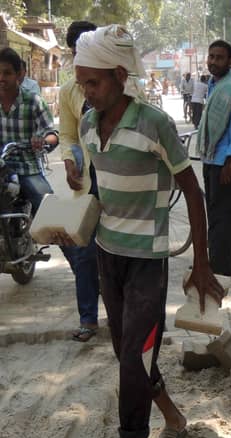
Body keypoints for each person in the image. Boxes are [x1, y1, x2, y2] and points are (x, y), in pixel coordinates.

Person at [74, 25, 225, 438]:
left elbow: (193, 192)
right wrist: (73, 205)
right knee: (129, 351)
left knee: (134, 356)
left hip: (147, 260)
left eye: (94, 82)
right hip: (107, 254)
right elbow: (99, 188)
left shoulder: (154, 124)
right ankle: (175, 419)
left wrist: (201, 263)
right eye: (81, 82)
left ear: (120, 76)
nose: (87, 91)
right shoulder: (88, 125)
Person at [58, 20, 100, 343]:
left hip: (122, 181)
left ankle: (136, 318)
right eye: (76, 51)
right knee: (82, 249)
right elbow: (68, 134)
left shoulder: (122, 82)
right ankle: (88, 319)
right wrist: (70, 162)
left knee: (122, 253)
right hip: (87, 182)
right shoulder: (69, 90)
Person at [197, 40, 231, 277]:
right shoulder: (214, 84)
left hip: (225, 163)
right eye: (211, 56)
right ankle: (222, 264)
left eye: (219, 58)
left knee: (221, 219)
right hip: (211, 160)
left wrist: (230, 160)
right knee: (216, 216)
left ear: (230, 61)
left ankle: (219, 271)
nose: (213, 61)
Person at [0, 47, 58, 215]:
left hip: (26, 167)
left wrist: (43, 141)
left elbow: (52, 134)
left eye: (7, 73)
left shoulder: (33, 101)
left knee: (51, 208)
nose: (1, 78)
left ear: (19, 75)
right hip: (1, 167)